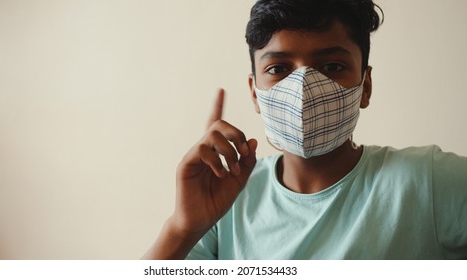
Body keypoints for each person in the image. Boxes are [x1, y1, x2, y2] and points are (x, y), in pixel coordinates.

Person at [142, 0, 467, 259]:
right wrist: (182, 228)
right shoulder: (226, 198)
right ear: (255, 92)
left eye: (332, 67)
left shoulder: (429, 183)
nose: (303, 87)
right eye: (279, 69)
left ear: (365, 86)